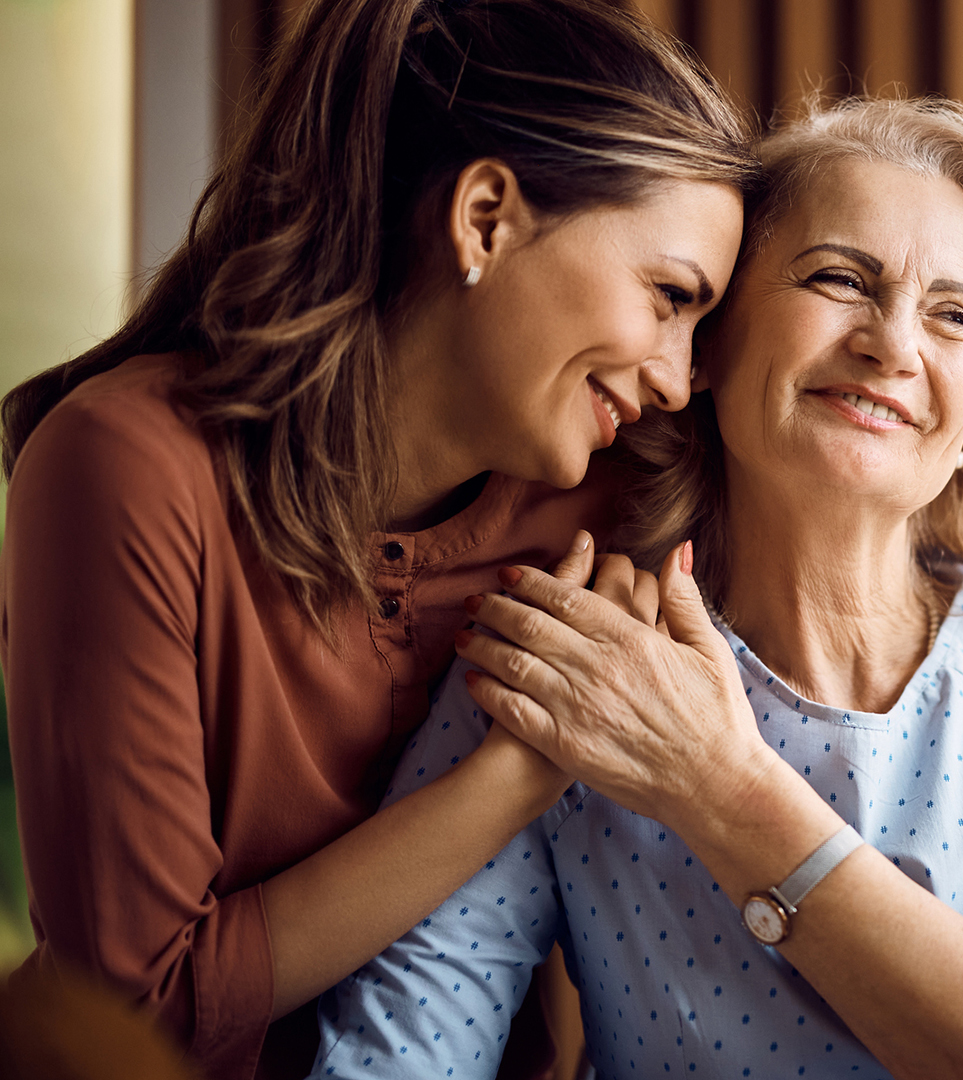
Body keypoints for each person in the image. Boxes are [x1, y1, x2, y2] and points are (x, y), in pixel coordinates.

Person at [310, 97, 963, 1080]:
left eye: (954, 316)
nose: (894, 344)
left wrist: (725, 790)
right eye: (839, 279)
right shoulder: (574, 664)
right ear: (710, 345)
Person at [0, 1, 755, 1075]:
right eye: (669, 297)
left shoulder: (610, 505)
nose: (678, 378)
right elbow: (141, 1009)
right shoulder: (125, 469)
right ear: (486, 217)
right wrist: (514, 774)